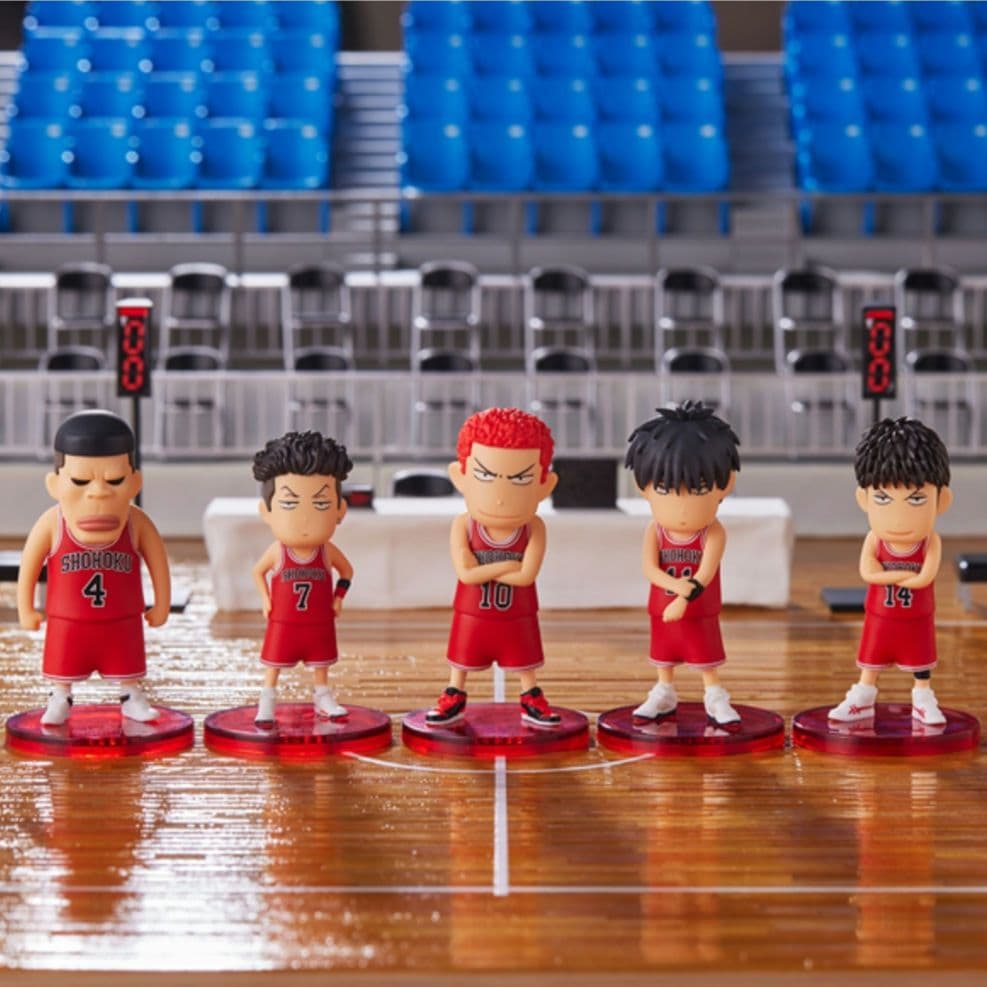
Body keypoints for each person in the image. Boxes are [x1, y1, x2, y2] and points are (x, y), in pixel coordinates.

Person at [17, 410, 171, 726]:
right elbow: (28, 567)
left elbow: (159, 564)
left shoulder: (138, 523)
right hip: (68, 621)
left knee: (127, 664)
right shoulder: (51, 523)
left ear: (135, 482)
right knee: (63, 666)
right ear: (54, 484)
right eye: (80, 481)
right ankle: (60, 697)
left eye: (114, 480)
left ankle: (131, 697)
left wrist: (162, 605)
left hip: (122, 620)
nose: (98, 492)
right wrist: (25, 609)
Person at [426, 407, 560, 728]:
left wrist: (486, 569)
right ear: (460, 477)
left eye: (519, 479)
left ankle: (531, 698)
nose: (500, 497)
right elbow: (466, 574)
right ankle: (454, 695)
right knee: (461, 661)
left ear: (544, 485)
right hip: (473, 614)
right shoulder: (464, 524)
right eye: (486, 476)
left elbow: (527, 576)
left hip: (517, 615)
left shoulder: (534, 527)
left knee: (525, 663)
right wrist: (508, 564)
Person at [829, 417, 953, 726]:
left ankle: (923, 699)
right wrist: (903, 577)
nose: (898, 518)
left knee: (921, 663)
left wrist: (892, 575)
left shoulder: (930, 541)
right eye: (883, 498)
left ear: (941, 501)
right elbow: (868, 573)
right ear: (864, 499)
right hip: (880, 615)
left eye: (916, 499)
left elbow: (925, 578)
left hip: (917, 617)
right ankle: (862, 697)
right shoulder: (875, 539)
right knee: (871, 659)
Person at [625, 401, 742, 728]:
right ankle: (664, 692)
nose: (681, 504)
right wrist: (676, 590)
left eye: (698, 489)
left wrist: (682, 598)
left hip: (699, 609)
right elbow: (649, 568)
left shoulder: (713, 532)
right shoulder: (655, 530)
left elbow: (705, 574)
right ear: (643, 488)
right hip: (662, 607)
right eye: (665, 489)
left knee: (705, 657)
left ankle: (715, 696)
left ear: (725, 484)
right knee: (664, 655)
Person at [251, 431, 353, 724]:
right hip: (284, 621)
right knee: (273, 665)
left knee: (321, 664)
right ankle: (267, 699)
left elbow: (347, 572)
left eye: (320, 504)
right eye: (289, 504)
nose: (305, 518)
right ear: (266, 511)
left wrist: (338, 598)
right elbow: (257, 571)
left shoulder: (326, 551)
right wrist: (265, 599)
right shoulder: (278, 551)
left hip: (318, 621)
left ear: (340, 510)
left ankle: (323, 696)